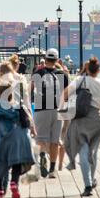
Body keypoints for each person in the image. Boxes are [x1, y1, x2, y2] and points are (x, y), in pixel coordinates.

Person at [0, 63, 36, 198]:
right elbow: (27, 118)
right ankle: (14, 183)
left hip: (3, 139)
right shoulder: (17, 105)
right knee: (16, 163)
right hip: (19, 139)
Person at [63, 57, 100, 196]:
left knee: (83, 152)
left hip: (81, 119)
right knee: (94, 153)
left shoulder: (80, 80)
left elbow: (65, 93)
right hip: (98, 120)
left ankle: (88, 185)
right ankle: (92, 178)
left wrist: (64, 107)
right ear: (99, 70)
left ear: (87, 69)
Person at [31, 49, 69, 178]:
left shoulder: (38, 72)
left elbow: (30, 90)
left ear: (45, 59)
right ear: (57, 60)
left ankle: (42, 155)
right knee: (55, 140)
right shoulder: (63, 74)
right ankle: (52, 170)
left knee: (41, 138)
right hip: (58, 110)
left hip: (41, 109)